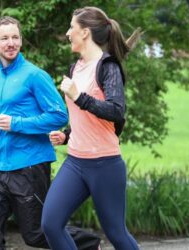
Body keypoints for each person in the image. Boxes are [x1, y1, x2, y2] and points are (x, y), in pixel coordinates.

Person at [0, 16, 101, 250]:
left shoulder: (34, 75)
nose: (10, 43)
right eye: (4, 38)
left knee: (37, 233)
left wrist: (17, 124)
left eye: (15, 37)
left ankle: (90, 245)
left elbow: (59, 115)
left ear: (21, 41)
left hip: (29, 166)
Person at [41, 6, 141, 250]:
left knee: (116, 234)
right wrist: (66, 135)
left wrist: (79, 96)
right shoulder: (75, 68)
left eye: (72, 28)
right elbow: (85, 120)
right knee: (50, 224)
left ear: (85, 33)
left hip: (105, 164)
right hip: (76, 162)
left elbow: (116, 110)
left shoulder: (108, 67)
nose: (67, 33)